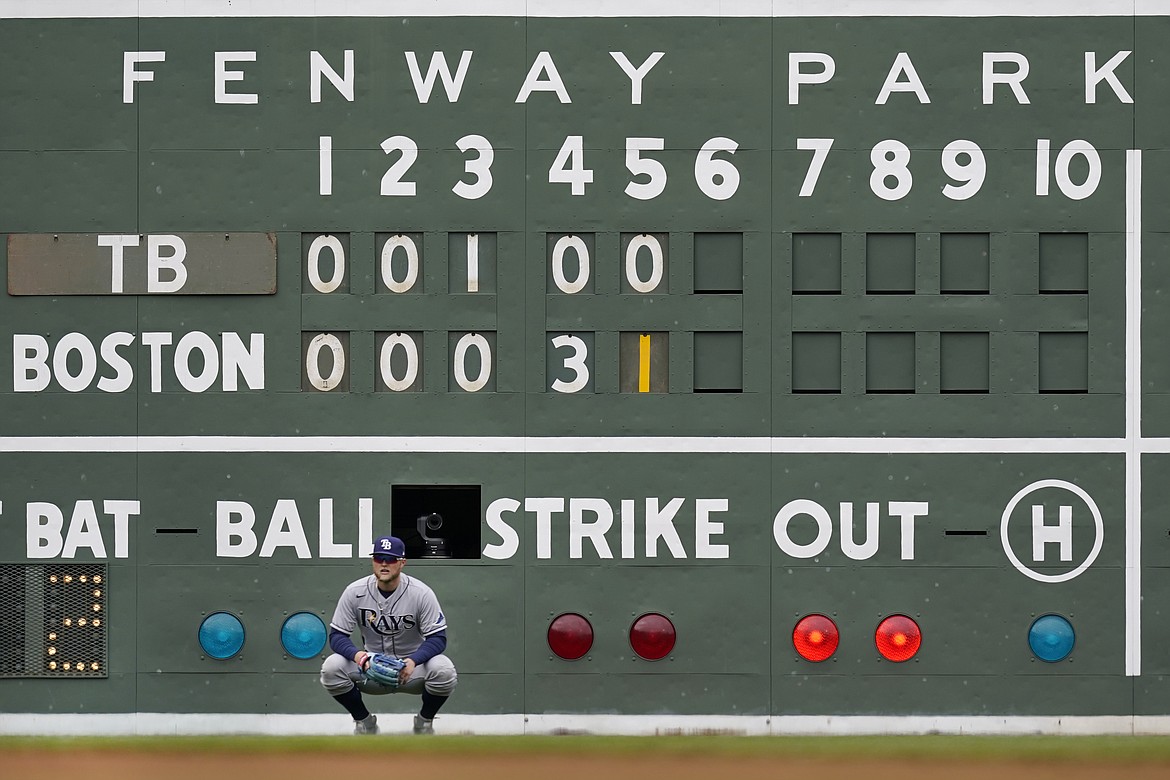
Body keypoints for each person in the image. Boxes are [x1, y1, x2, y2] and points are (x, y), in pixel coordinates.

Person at [319, 535, 457, 735]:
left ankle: (424, 722)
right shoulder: (354, 591)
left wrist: (413, 661)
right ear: (372, 561)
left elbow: (438, 638)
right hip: (371, 668)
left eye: (391, 559)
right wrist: (361, 657)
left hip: (411, 670)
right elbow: (337, 636)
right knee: (331, 668)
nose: (384, 563)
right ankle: (364, 722)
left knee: (444, 670)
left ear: (402, 563)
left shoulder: (421, 593)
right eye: (379, 557)